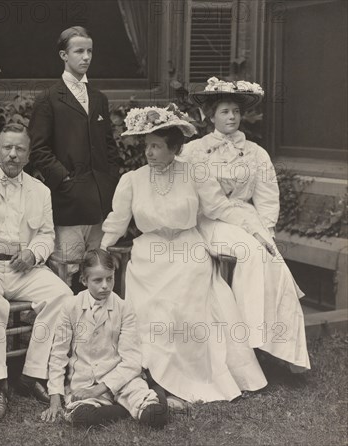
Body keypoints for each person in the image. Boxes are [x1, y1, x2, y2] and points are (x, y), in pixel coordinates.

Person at [100, 104, 269, 403]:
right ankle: (152, 372)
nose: (149, 153)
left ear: (174, 148)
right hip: (149, 252)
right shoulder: (133, 180)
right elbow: (116, 221)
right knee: (152, 306)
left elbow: (220, 208)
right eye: (147, 146)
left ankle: (188, 375)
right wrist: (101, 251)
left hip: (188, 248)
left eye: (156, 146)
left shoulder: (195, 173)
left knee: (187, 296)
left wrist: (255, 231)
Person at [180, 77, 310, 372]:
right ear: (211, 116)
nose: (232, 117)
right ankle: (251, 338)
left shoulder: (256, 152)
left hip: (246, 218)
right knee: (250, 252)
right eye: (225, 111)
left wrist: (267, 231)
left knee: (271, 259)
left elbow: (267, 198)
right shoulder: (195, 151)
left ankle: (278, 344)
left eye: (236, 111)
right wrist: (253, 233)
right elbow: (207, 202)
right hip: (211, 221)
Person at [0, 123, 73, 422]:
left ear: (28, 155)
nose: (13, 155)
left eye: (20, 149)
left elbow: (46, 234)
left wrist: (33, 253)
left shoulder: (40, 190)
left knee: (64, 297)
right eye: (7, 148)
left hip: (22, 267)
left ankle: (31, 372)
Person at [28, 26, 120, 287]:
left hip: (99, 202)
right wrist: (65, 180)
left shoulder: (99, 98)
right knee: (66, 271)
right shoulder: (48, 99)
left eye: (90, 51)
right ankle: (63, 325)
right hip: (68, 202)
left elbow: (108, 146)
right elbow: (39, 150)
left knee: (97, 270)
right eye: (79, 51)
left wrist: (109, 180)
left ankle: (94, 324)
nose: (86, 57)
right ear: (63, 55)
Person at [42, 249, 169, 428]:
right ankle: (129, 409)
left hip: (121, 379)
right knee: (82, 418)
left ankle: (145, 398)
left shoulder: (124, 308)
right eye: (97, 280)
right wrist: (55, 398)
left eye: (110, 278)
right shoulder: (71, 306)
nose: (105, 286)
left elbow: (132, 361)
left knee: (156, 416)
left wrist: (98, 389)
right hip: (85, 381)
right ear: (84, 280)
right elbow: (58, 354)